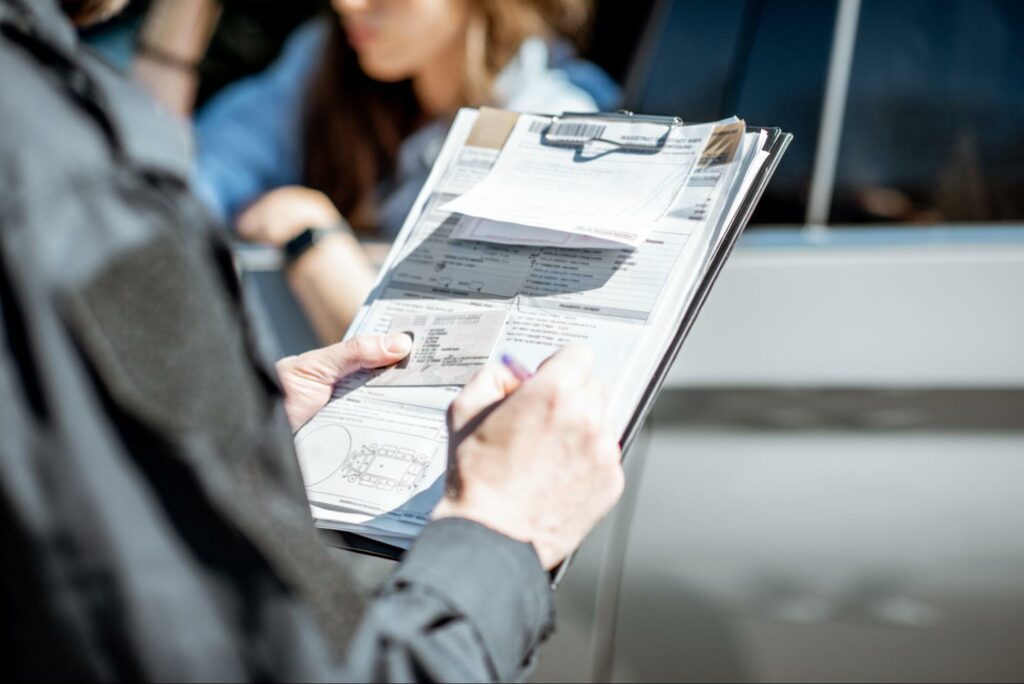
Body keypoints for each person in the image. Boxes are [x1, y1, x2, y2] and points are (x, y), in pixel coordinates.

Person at [0, 0, 624, 681]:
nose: (349, 2)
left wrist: (317, 248)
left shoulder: (572, 125)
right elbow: (169, 190)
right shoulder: (317, 66)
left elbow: (472, 369)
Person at [137, 0, 620, 342]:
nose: (346, 4)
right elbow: (159, 193)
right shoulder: (324, 64)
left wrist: (311, 238)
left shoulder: (560, 132)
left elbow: (445, 372)